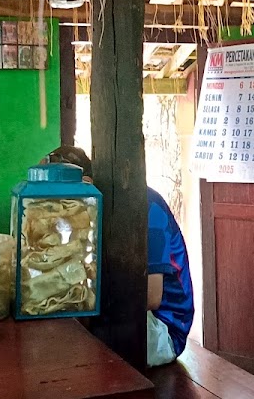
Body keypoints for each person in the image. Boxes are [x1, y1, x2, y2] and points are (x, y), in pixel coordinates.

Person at [45, 146, 194, 367]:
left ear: (86, 180)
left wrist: (81, 301)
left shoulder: (146, 207)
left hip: (161, 327)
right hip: (125, 314)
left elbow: (152, 297)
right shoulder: (91, 207)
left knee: (70, 353)